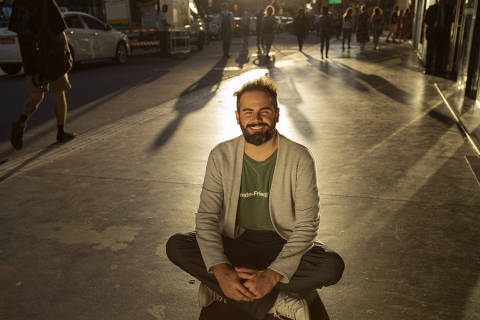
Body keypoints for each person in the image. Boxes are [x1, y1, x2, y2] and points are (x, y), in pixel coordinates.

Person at [166, 77, 344, 320]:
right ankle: (276, 301)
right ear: (238, 117)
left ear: (277, 114)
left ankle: (223, 291)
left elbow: (306, 226)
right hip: (236, 242)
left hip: (281, 243)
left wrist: (272, 275)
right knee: (177, 245)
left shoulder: (299, 157)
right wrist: (220, 269)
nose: (256, 119)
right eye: (248, 112)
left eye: (264, 111)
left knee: (331, 266)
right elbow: (207, 218)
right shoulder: (221, 155)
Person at [9, 0, 75, 150]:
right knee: (59, 94)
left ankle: (21, 122)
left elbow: (18, 31)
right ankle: (60, 131)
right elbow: (60, 33)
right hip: (51, 59)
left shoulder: (18, 5)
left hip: (31, 60)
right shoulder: (46, 3)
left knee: (36, 96)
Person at [424, 0, 454, 76]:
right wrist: (432, 25)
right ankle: (428, 69)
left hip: (442, 34)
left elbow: (451, 20)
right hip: (432, 32)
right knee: (430, 52)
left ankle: (437, 70)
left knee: (440, 52)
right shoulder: (431, 8)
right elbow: (426, 20)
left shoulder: (448, 9)